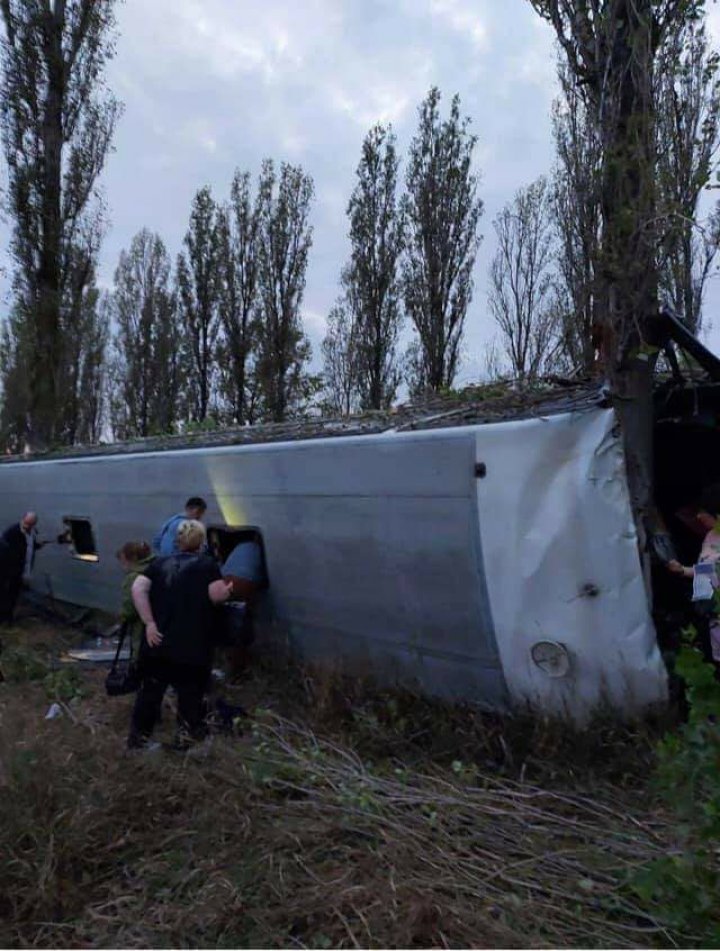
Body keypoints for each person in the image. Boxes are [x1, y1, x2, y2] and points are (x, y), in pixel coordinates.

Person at [128, 519, 233, 750]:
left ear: (178, 539)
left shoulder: (159, 563)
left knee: (150, 693)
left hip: (157, 641)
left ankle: (138, 740)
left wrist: (149, 623)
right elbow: (216, 596)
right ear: (201, 541)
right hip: (191, 645)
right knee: (190, 695)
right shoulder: (207, 565)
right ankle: (187, 741)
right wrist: (227, 591)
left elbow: (137, 588)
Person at [668, 483, 720, 663]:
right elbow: (707, 567)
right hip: (708, 605)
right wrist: (684, 570)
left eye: (703, 513)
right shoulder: (710, 537)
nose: (698, 517)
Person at [0, 512, 47, 624]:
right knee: (6, 594)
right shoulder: (12, 532)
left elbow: (29, 546)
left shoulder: (31, 533)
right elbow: (4, 550)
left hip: (22, 569)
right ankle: (4, 618)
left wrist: (38, 545)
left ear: (34, 524)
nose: (27, 526)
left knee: (14, 594)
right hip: (11, 570)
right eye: (26, 523)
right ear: (23, 519)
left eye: (30, 524)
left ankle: (8, 616)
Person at [116, 541, 155, 657]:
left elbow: (129, 609)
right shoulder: (159, 568)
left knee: (140, 654)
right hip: (164, 623)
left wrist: (122, 616)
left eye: (124, 561)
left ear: (133, 558)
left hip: (142, 625)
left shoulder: (133, 578)